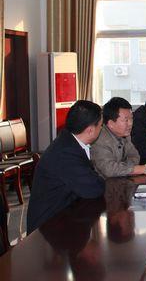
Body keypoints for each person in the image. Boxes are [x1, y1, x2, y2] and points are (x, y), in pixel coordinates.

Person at [27, 100, 105, 234]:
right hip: (47, 229)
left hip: (65, 216)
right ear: (90, 130)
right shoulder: (66, 152)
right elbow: (93, 188)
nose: (101, 129)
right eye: (101, 125)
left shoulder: (70, 141)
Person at [91, 97, 146, 178]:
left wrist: (122, 168)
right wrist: (136, 169)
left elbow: (135, 156)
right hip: (102, 183)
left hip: (120, 180)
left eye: (131, 118)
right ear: (111, 124)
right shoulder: (99, 139)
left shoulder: (125, 134)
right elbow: (109, 170)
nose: (130, 124)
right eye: (126, 120)